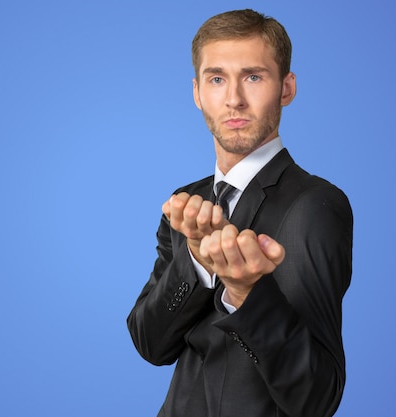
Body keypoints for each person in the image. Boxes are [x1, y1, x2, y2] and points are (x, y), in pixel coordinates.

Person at [127, 9, 353, 417]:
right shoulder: (186, 203)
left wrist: (248, 293)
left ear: (286, 87)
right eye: (217, 79)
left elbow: (318, 397)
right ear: (197, 93)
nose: (233, 98)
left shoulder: (314, 205)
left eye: (253, 76)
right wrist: (194, 262)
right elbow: (151, 345)